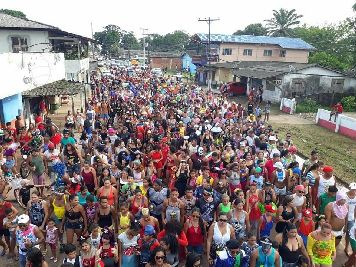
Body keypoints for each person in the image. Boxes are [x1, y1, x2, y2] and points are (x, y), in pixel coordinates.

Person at [345, 182, 356, 256]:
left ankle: (346, 247)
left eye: (355, 189)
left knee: (349, 234)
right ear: (349, 188)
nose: (354, 191)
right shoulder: (344, 195)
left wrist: (355, 218)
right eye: (353, 189)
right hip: (343, 216)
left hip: (351, 218)